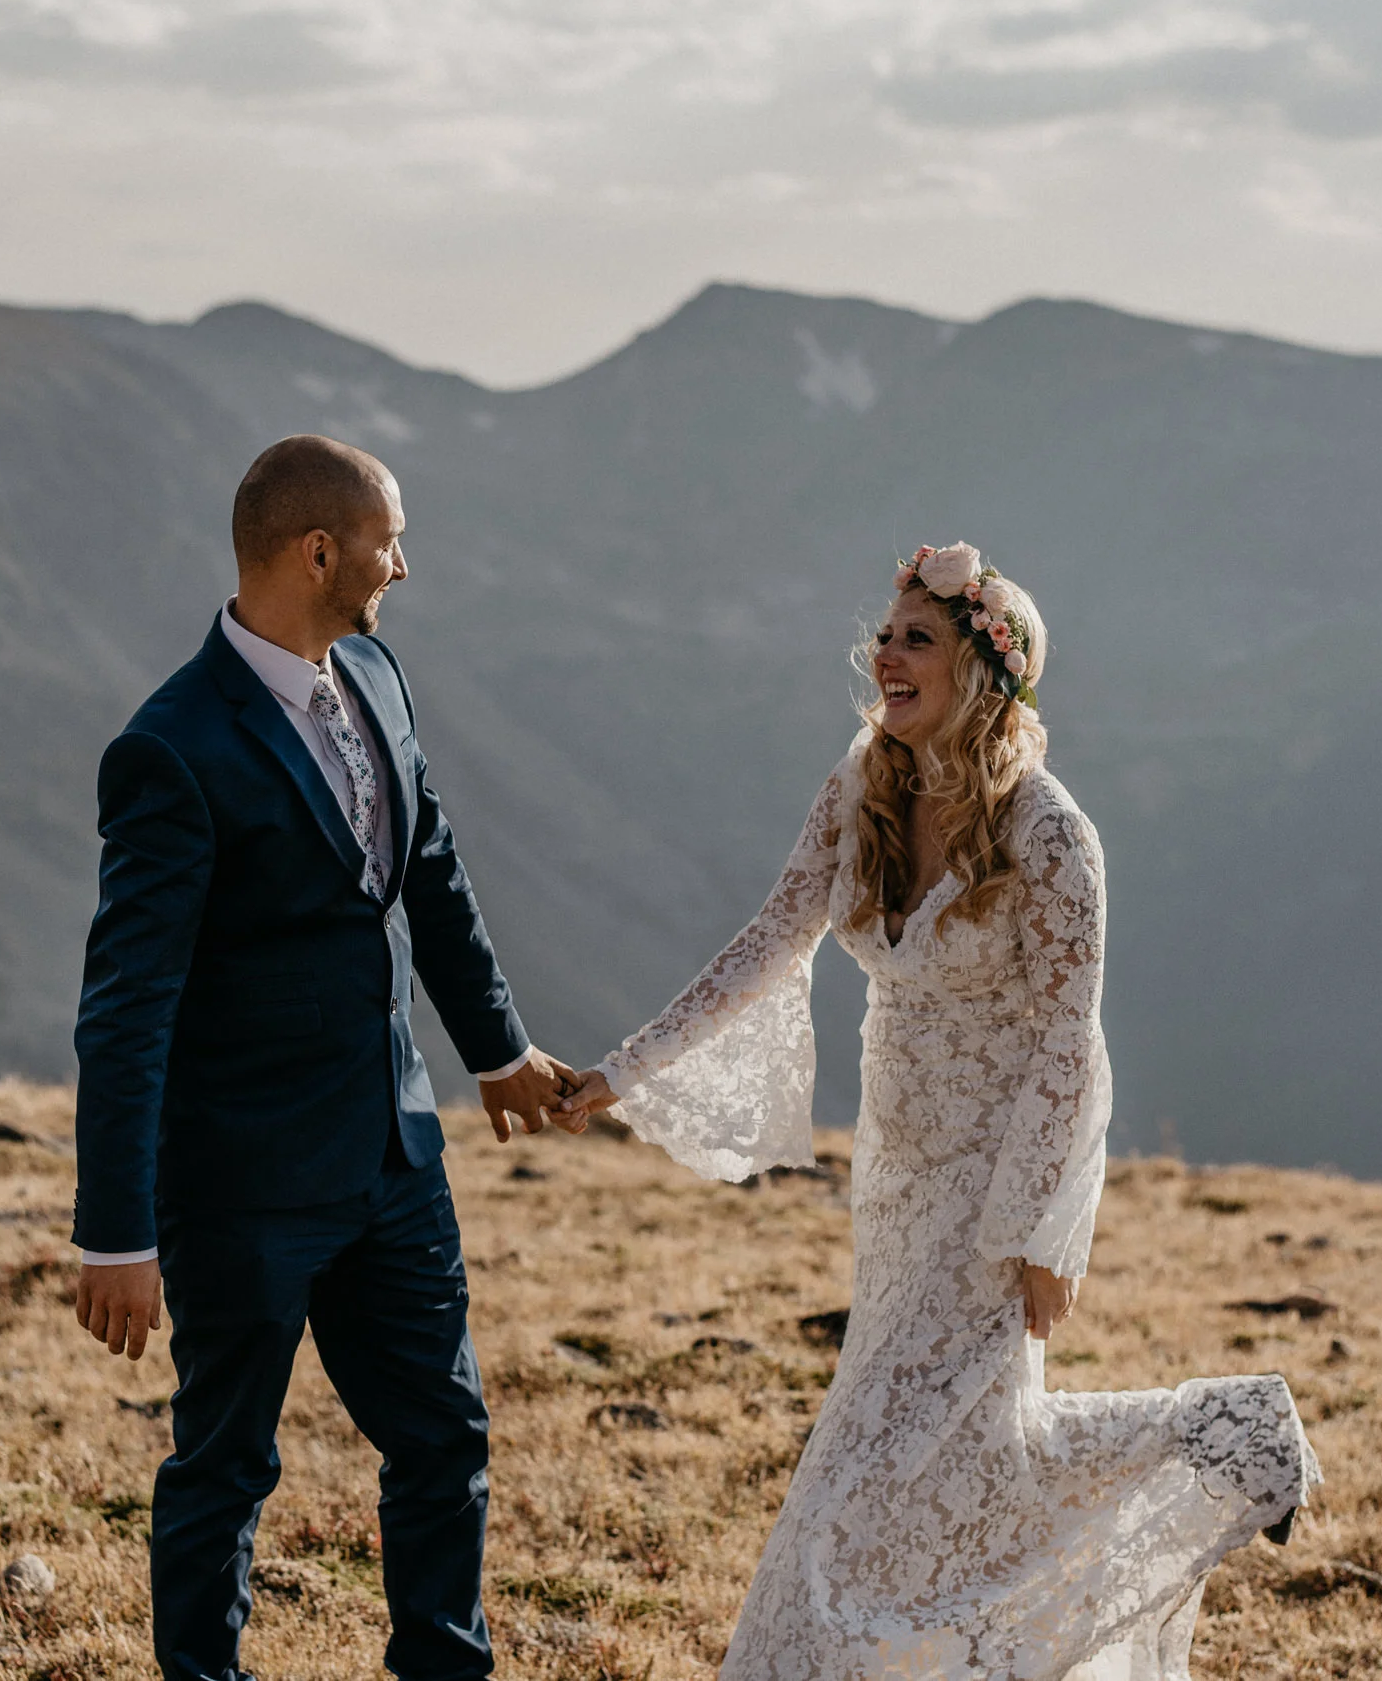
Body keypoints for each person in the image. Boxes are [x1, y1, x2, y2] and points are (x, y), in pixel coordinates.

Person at [555, 543, 1321, 1679]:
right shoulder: (861, 785)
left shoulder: (1050, 833)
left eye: (917, 637)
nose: (886, 654)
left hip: (995, 1191)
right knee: (979, 1461)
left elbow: (1069, 1045)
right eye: (885, 633)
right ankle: (1236, 1430)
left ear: (982, 671)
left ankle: (803, 1656)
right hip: (897, 1178)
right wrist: (619, 1073)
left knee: (871, 1470)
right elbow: (769, 941)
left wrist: (1042, 1232)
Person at [69, 434, 576, 1681]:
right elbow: (127, 1005)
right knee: (226, 1465)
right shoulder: (172, 747)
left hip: (393, 1158)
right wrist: (115, 1234)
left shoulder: (379, 676)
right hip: (243, 1185)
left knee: (445, 1438)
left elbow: (431, 869)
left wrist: (496, 1048)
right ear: (315, 552)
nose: (402, 566)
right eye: (386, 543)